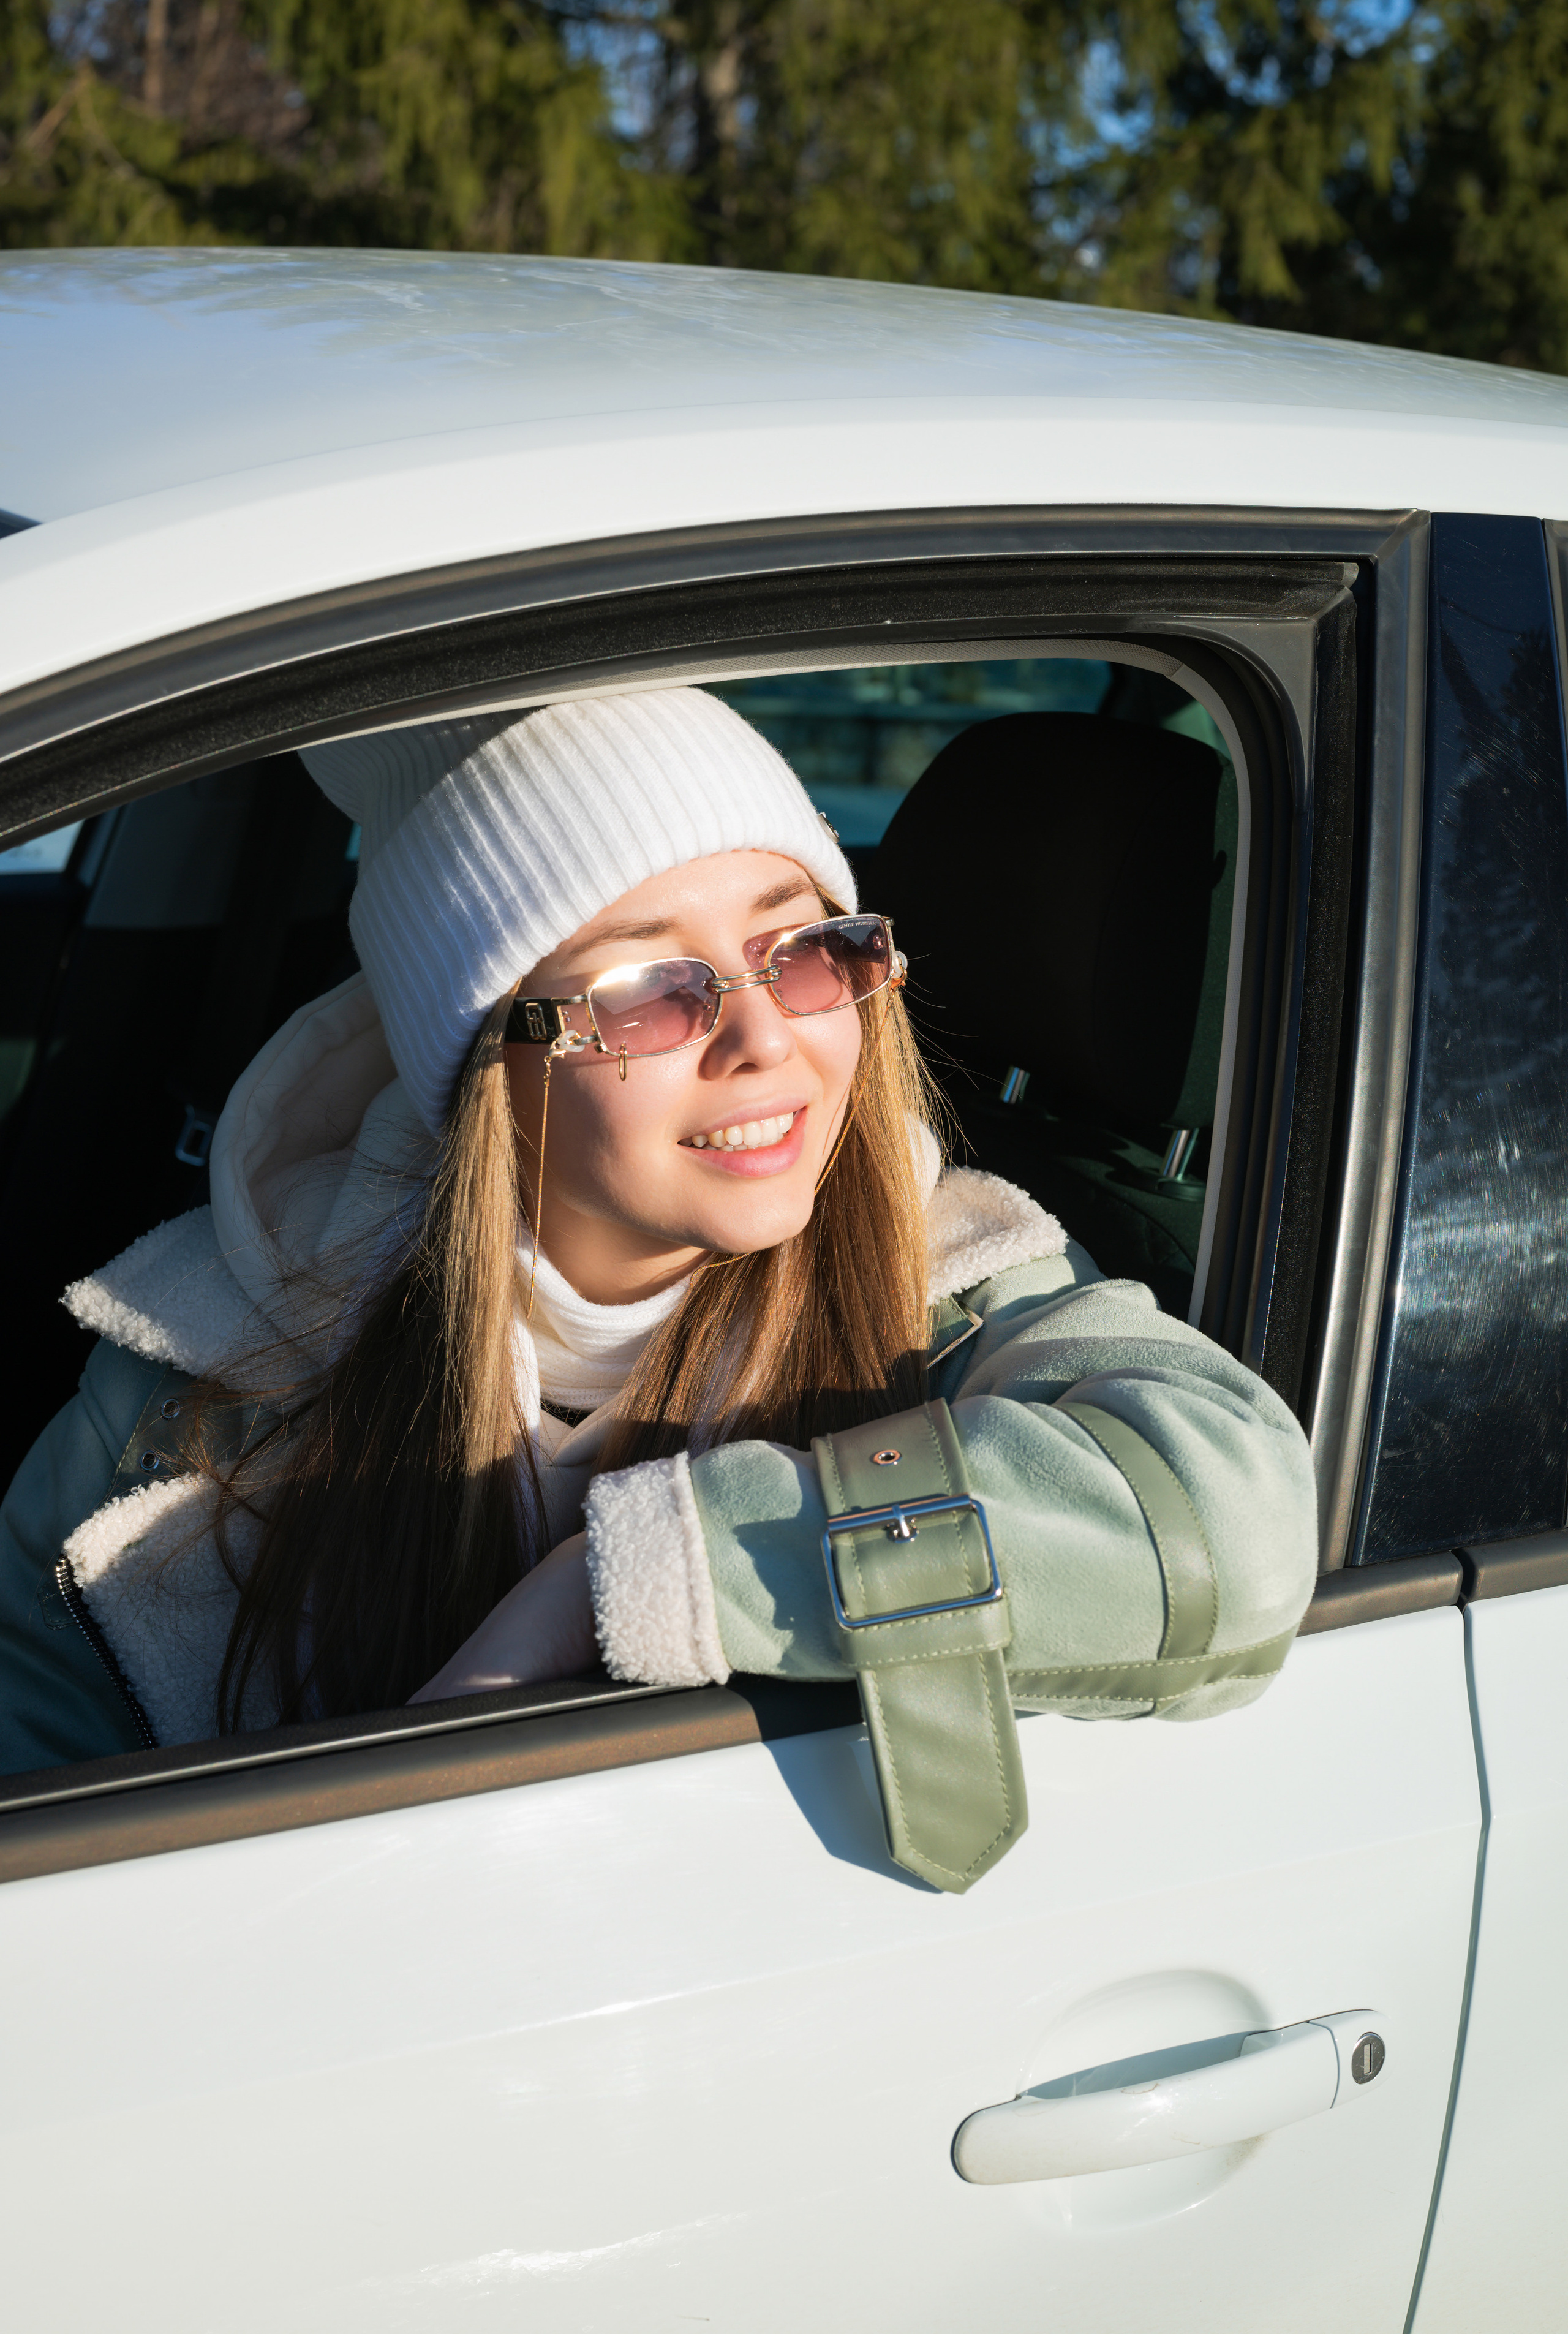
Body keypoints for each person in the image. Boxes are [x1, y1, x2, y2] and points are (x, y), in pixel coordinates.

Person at [0, 688, 1317, 1890]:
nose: (762, 1042)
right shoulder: (183, 1397)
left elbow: (1236, 1517)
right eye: (647, 996)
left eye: (802, 951)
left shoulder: (961, 1294)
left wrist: (619, 1579)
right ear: (484, 1064)